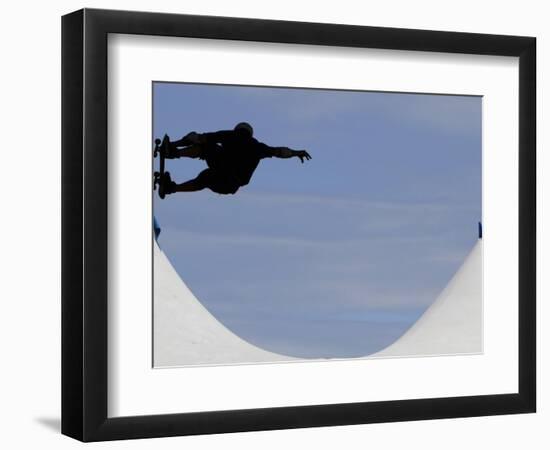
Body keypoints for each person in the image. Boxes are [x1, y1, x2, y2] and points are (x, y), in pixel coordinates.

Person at [160, 122, 311, 195]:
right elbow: (280, 152)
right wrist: (297, 153)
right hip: (230, 185)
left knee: (205, 147)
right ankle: (172, 188)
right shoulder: (258, 147)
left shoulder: (230, 135)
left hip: (223, 172)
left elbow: (198, 138)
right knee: (204, 178)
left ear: (237, 130)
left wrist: (174, 144)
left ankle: (173, 153)